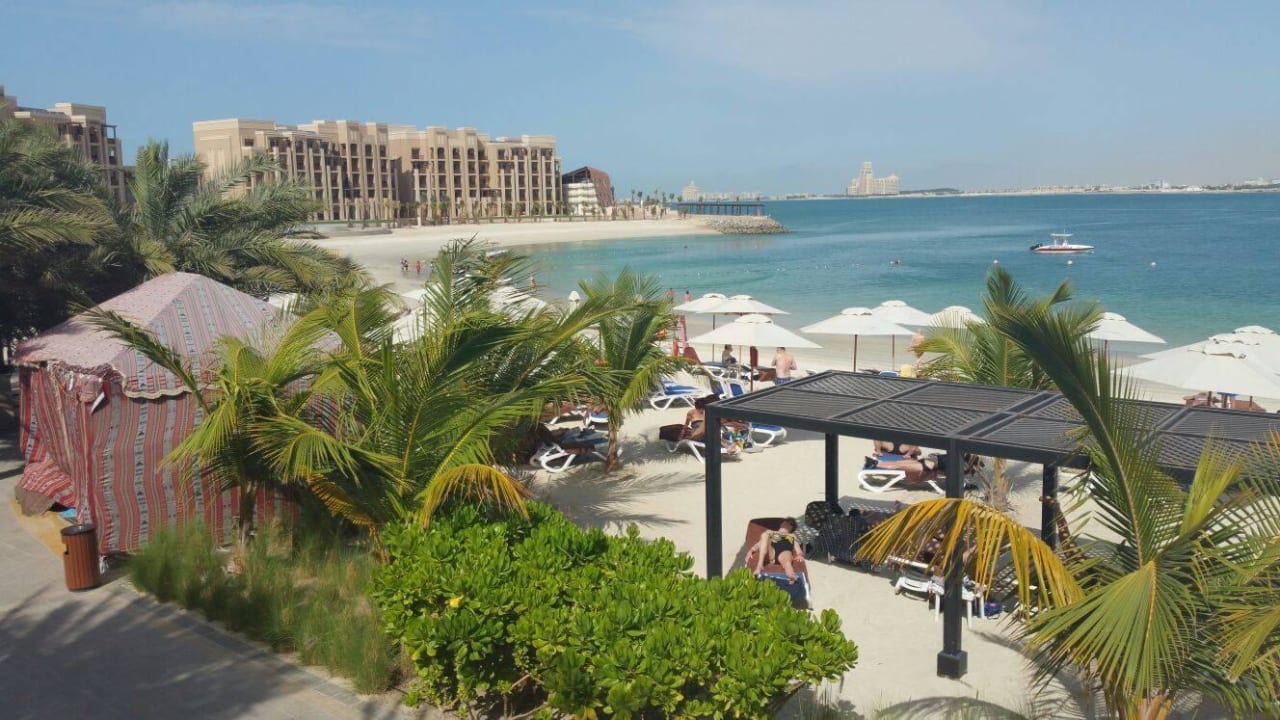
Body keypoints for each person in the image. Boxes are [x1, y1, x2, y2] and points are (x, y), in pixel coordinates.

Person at [751, 517, 803, 583]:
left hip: (784, 552)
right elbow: (759, 544)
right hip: (771, 552)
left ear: (792, 528)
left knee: (787, 556)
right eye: (786, 522)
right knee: (765, 535)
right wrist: (752, 550)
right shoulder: (770, 532)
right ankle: (759, 565)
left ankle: (791, 575)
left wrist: (800, 554)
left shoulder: (792, 535)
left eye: (790, 524)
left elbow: (798, 549)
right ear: (781, 524)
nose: (787, 524)